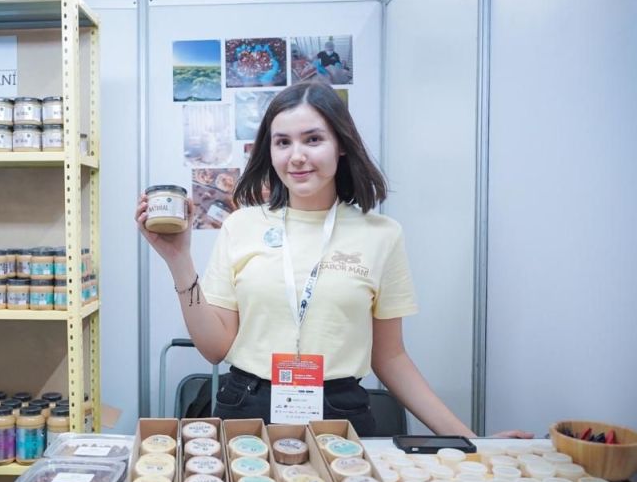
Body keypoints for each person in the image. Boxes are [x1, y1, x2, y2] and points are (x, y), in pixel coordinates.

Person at [136, 80, 531, 439]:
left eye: (313, 139)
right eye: (282, 142)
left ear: (341, 143)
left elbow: (390, 356)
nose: (297, 156)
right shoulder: (241, 225)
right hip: (246, 407)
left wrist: (471, 441)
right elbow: (215, 348)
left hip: (339, 412)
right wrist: (179, 259)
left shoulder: (382, 234)